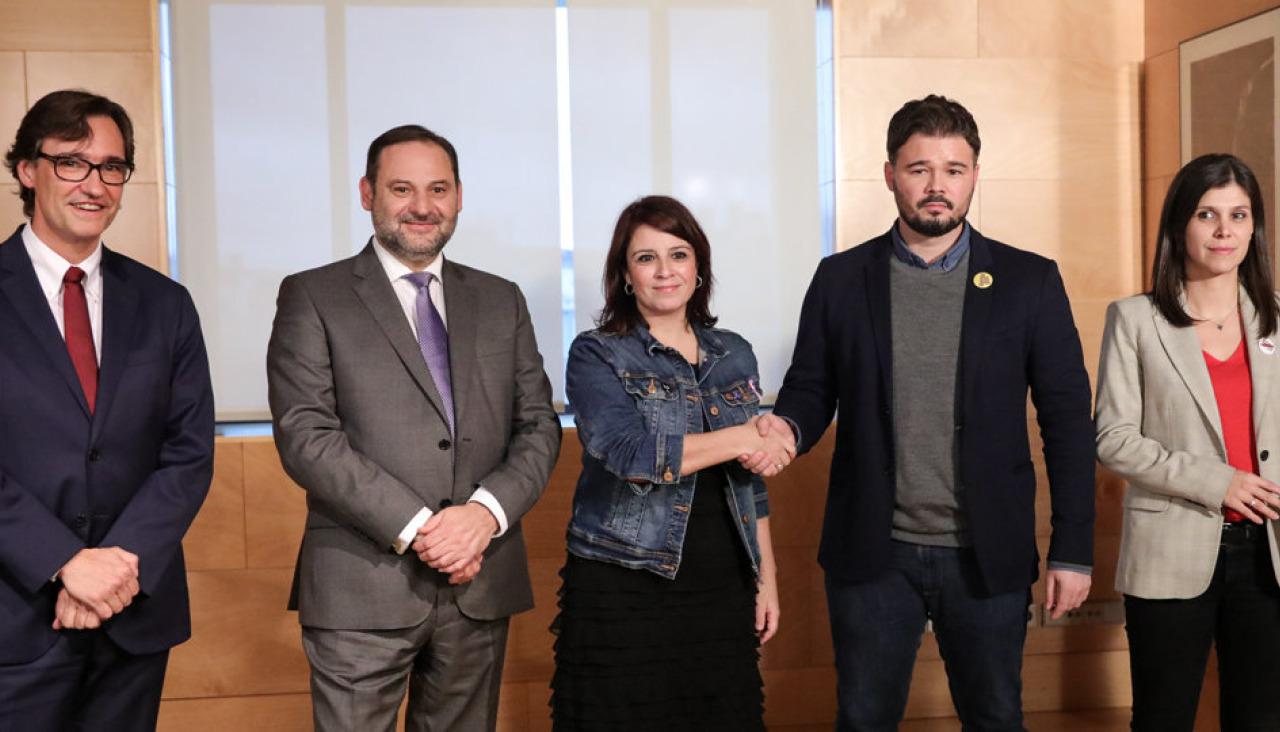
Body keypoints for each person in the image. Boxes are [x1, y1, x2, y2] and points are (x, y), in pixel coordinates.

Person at [748, 94, 1096, 731]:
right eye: (919, 169)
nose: (938, 186)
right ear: (890, 175)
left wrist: (1073, 550)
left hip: (986, 554)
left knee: (996, 718)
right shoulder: (840, 278)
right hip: (872, 554)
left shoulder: (1030, 282)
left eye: (954, 170)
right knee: (863, 719)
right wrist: (786, 429)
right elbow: (809, 390)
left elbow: (1069, 424)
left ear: (974, 176)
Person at [267, 124, 561, 731]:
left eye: (438, 189)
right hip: (361, 587)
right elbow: (307, 436)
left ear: (458, 196)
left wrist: (483, 517)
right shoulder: (313, 295)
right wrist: (424, 530)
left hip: (479, 579)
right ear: (367, 193)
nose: (422, 206)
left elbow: (538, 425)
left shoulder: (501, 299)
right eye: (402, 189)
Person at [0, 89, 215, 730]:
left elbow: (188, 454)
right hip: (14, 617)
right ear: (27, 169)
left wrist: (115, 567)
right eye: (71, 162)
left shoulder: (165, 303)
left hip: (132, 615)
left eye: (112, 167)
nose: (94, 185)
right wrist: (66, 563)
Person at [550, 195, 792, 731]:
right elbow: (629, 454)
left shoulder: (734, 352)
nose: (665, 271)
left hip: (722, 580)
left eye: (678, 255)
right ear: (625, 274)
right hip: (624, 581)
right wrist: (743, 435)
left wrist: (766, 577)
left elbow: (749, 482)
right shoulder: (597, 353)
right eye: (646, 258)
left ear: (698, 266)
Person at [1094, 153, 1280, 731]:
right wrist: (1217, 481)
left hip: (1268, 553)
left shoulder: (1276, 319)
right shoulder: (1135, 319)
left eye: (1239, 215)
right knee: (1163, 718)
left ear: (1254, 227)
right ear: (1180, 224)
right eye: (1207, 214)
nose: (1224, 231)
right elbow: (1114, 438)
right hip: (1170, 548)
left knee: (1261, 719)